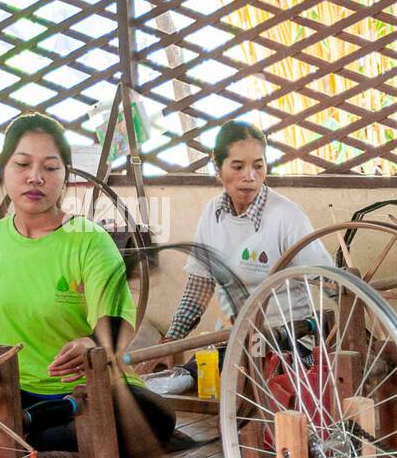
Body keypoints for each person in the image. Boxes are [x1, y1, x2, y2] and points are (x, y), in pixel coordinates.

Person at [0, 113, 175, 458]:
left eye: (50, 168)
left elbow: (114, 320)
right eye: (22, 164)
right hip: (12, 392)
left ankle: (15, 446)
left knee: (150, 419)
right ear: (2, 168)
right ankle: (29, 448)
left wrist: (93, 344)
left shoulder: (89, 242)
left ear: (65, 177)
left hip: (89, 392)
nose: (35, 176)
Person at [142, 120, 332, 374]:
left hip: (289, 344)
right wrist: (169, 344)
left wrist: (359, 324)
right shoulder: (212, 214)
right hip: (235, 342)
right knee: (182, 378)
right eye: (238, 166)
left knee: (267, 389)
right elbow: (199, 286)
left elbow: (331, 281)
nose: (249, 176)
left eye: (258, 165)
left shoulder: (286, 216)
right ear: (218, 167)